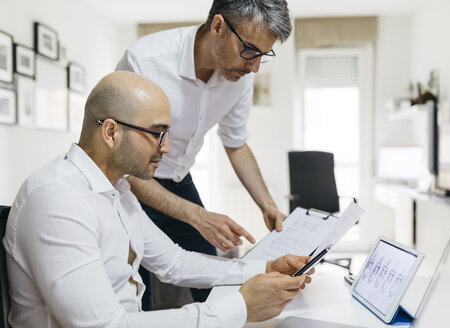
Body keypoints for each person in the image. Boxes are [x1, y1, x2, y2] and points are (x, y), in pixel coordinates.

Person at [3, 71, 312, 328]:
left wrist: (266, 266)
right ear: (111, 132)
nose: (166, 148)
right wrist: (241, 307)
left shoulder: (118, 191)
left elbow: (175, 262)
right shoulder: (57, 199)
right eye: (157, 133)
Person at [116, 0, 292, 305]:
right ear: (218, 26)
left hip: (178, 178)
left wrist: (268, 206)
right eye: (250, 50)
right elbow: (123, 164)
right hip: (130, 181)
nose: (255, 67)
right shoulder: (145, 61)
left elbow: (235, 142)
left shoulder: (241, 75)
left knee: (212, 281)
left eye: (263, 55)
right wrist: (197, 215)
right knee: (134, 287)